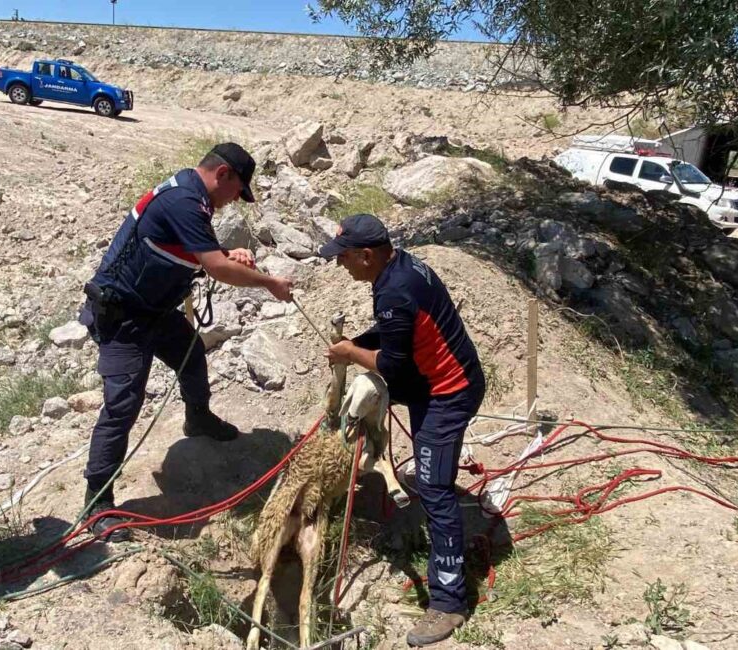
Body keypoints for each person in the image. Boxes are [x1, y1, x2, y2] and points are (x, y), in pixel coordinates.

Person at [80, 142, 293, 540]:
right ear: (223, 174)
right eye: (237, 193)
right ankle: (97, 501)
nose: (234, 202)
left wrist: (228, 252)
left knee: (192, 355)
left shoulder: (191, 197)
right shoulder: (185, 200)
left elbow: (195, 250)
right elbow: (213, 266)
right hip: (122, 315)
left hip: (153, 310)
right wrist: (269, 283)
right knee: (123, 402)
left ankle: (198, 417)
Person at [320, 214, 484, 647]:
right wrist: (359, 342)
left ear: (367, 254)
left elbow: (393, 363)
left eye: (345, 259)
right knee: (432, 480)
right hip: (433, 386)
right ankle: (431, 542)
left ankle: (449, 601)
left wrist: (352, 351)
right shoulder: (400, 268)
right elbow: (396, 336)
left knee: (434, 488)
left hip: (448, 393)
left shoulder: (394, 290)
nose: (342, 266)